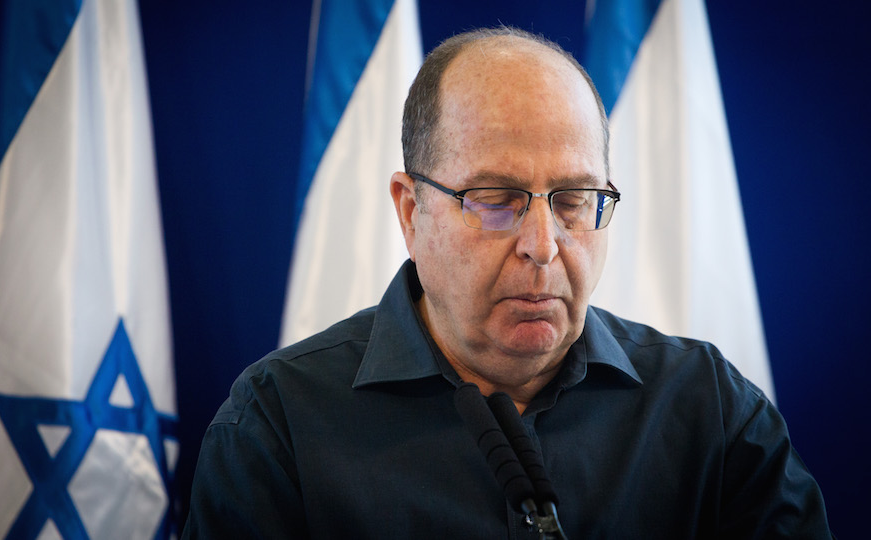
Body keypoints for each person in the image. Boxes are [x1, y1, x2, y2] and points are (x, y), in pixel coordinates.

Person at [182, 27, 832, 538]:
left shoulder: (712, 412)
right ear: (412, 213)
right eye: (496, 199)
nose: (543, 246)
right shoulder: (277, 425)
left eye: (575, 199)